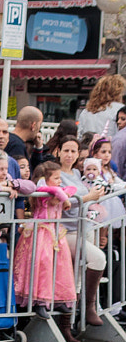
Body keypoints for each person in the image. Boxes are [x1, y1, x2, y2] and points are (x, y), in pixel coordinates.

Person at [13, 160, 79, 341]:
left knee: (60, 268)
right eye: (56, 178)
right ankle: (40, 301)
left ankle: (57, 300)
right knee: (42, 267)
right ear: (44, 179)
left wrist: (63, 193)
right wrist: (61, 194)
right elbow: (47, 192)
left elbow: (72, 189)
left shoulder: (59, 192)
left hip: (56, 233)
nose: (60, 182)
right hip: (42, 232)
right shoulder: (40, 193)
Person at [54, 135, 107, 331]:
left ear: (78, 154)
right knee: (98, 259)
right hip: (64, 231)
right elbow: (62, 202)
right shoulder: (55, 173)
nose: (69, 155)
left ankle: (73, 321)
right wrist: (87, 197)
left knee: (77, 276)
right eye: (66, 150)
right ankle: (88, 307)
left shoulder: (78, 174)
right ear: (58, 151)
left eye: (73, 151)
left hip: (84, 227)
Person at [77, 74, 126, 144]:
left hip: (89, 148)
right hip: (111, 149)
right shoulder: (120, 109)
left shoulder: (86, 111)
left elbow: (80, 136)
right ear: (117, 92)